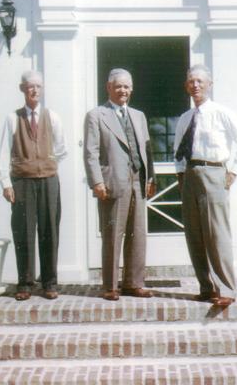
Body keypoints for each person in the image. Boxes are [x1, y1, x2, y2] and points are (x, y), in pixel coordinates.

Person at [174, 64, 237, 307]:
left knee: (217, 233)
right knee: (194, 234)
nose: (195, 85)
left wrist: (234, 171)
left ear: (210, 84)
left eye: (199, 81)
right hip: (191, 175)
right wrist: (180, 176)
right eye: (191, 81)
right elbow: (178, 150)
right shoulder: (185, 118)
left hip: (214, 172)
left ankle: (227, 289)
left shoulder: (221, 113)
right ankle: (206, 287)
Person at [83, 68, 156, 301]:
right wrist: (96, 181)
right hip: (112, 182)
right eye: (118, 86)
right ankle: (110, 286)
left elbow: (147, 149)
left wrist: (151, 178)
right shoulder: (96, 115)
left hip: (138, 181)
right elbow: (90, 152)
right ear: (108, 88)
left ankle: (134, 283)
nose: (122, 90)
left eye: (126, 86)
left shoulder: (139, 115)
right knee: (113, 234)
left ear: (131, 89)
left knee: (138, 234)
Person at [0, 70, 67, 301]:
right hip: (22, 182)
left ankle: (49, 283)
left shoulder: (52, 117)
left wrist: (47, 163)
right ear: (22, 89)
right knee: (24, 232)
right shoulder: (12, 118)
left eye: (38, 86)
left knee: (49, 231)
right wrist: (6, 183)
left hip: (48, 181)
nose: (34, 90)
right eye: (30, 86)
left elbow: (61, 148)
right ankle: (25, 283)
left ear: (42, 89)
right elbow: (3, 152)